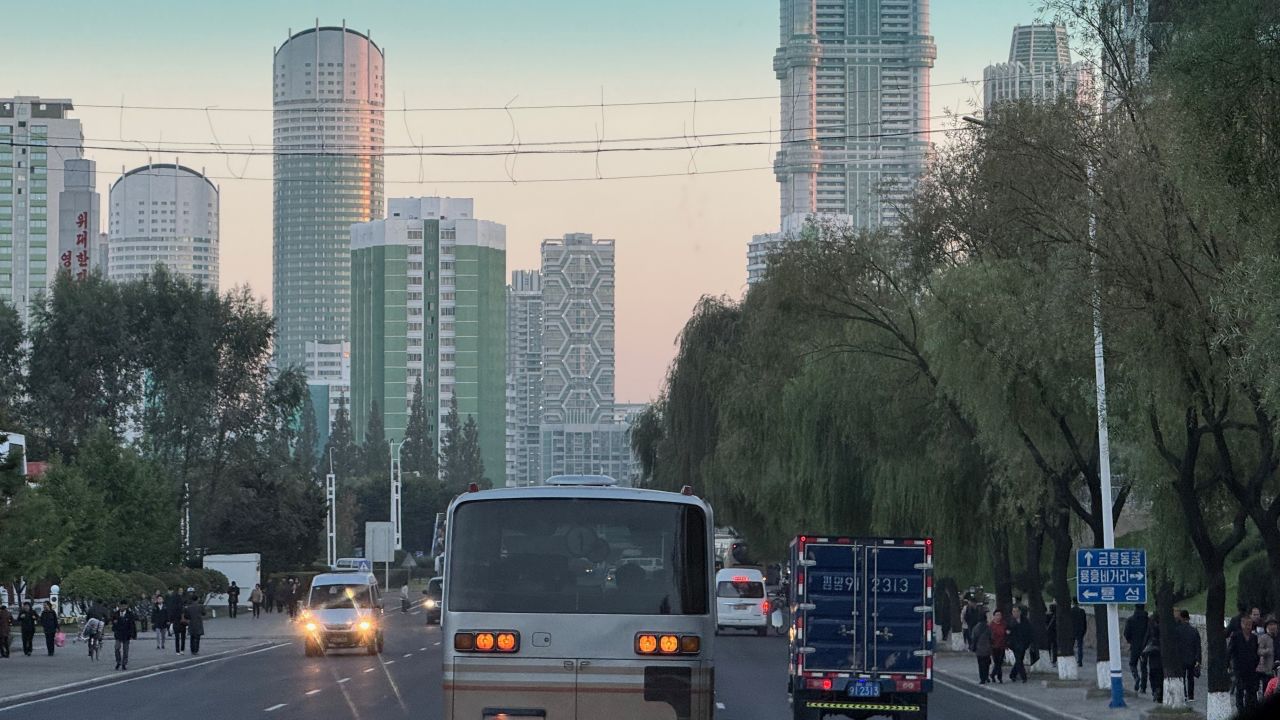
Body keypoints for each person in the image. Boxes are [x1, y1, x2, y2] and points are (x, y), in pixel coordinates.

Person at [1229, 615, 1261, 711]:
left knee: (1251, 689)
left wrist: (1257, 664)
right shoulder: (1236, 636)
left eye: (1250, 624)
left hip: (1251, 668)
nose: (1248, 627)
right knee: (1240, 689)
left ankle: (1249, 707)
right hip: (1239, 667)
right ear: (1242, 624)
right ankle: (1240, 708)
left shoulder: (1254, 637)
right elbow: (1230, 650)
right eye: (1246, 624)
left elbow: (1256, 652)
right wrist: (1228, 664)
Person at [1125, 603, 1151, 694]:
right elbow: (1150, 633)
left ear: (1135, 607)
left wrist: (1131, 641)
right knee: (1144, 667)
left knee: (1132, 664)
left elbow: (1126, 633)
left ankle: (1136, 677)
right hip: (1145, 647)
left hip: (1134, 646)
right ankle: (1143, 688)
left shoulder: (1130, 620)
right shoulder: (1147, 620)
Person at [1177, 609, 1202, 701]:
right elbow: (1198, 646)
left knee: (1182, 677)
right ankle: (1191, 696)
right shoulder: (1194, 631)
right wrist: (1198, 660)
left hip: (1181, 658)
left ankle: (1184, 695)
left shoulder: (1177, 630)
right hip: (1191, 659)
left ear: (1182, 618)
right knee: (1190, 678)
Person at [110, 599, 138, 671]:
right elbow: (112, 622)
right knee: (117, 648)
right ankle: (118, 661)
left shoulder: (130, 614)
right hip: (118, 634)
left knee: (125, 650)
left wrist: (133, 634)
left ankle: (124, 663)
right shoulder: (116, 614)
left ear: (126, 606)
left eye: (123, 606)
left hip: (126, 634)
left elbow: (132, 625)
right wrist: (114, 626)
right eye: (120, 606)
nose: (122, 607)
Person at [1008, 606, 1032, 683]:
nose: (1015, 613)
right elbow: (1008, 632)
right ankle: (1023, 677)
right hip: (1014, 645)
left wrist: (1028, 642)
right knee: (1019, 660)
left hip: (1023, 644)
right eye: (1013, 611)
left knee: (1020, 660)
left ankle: (1012, 674)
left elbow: (1029, 631)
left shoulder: (1025, 620)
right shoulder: (1010, 621)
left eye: (1016, 611)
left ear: (1020, 612)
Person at [1144, 617, 1164, 703]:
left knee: (1152, 677)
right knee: (1161, 678)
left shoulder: (1152, 641)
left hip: (1153, 663)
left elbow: (1146, 649)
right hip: (1162, 663)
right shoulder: (1163, 639)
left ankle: (1155, 690)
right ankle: (1159, 693)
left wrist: (1143, 655)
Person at [1258, 619, 1276, 704]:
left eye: (1274, 624)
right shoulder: (1263, 638)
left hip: (1277, 669)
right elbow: (1259, 651)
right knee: (1267, 691)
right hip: (1267, 669)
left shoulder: (1277, 638)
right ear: (1266, 627)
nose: (1272, 627)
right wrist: (1267, 651)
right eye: (1270, 625)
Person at [971, 609, 993, 684]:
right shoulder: (988, 627)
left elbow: (973, 638)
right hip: (987, 648)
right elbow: (991, 637)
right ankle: (986, 677)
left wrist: (973, 647)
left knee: (980, 664)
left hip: (979, 648)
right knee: (987, 664)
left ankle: (982, 678)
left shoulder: (976, 628)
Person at [989, 609, 1009, 684]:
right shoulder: (991, 625)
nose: (998, 617)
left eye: (1000, 615)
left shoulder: (1004, 624)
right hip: (994, 646)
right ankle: (999, 677)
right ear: (994, 616)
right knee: (997, 662)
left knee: (1000, 662)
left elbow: (1006, 633)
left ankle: (993, 675)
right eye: (997, 615)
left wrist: (1007, 634)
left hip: (1002, 646)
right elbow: (989, 636)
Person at [1071, 600, 1088, 668]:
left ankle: (1071, 659)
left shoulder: (1070, 611)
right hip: (1080, 631)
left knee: (1071, 646)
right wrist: (1084, 631)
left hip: (1072, 631)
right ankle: (1080, 661)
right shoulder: (1082, 611)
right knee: (1080, 647)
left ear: (1073, 602)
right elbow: (1084, 622)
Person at [169, 590, 187, 655]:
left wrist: (171, 622)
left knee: (177, 637)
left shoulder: (173, 607)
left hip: (176, 623)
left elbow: (171, 616)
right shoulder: (182, 606)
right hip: (182, 623)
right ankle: (182, 650)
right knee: (183, 637)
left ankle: (177, 651)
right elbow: (186, 614)